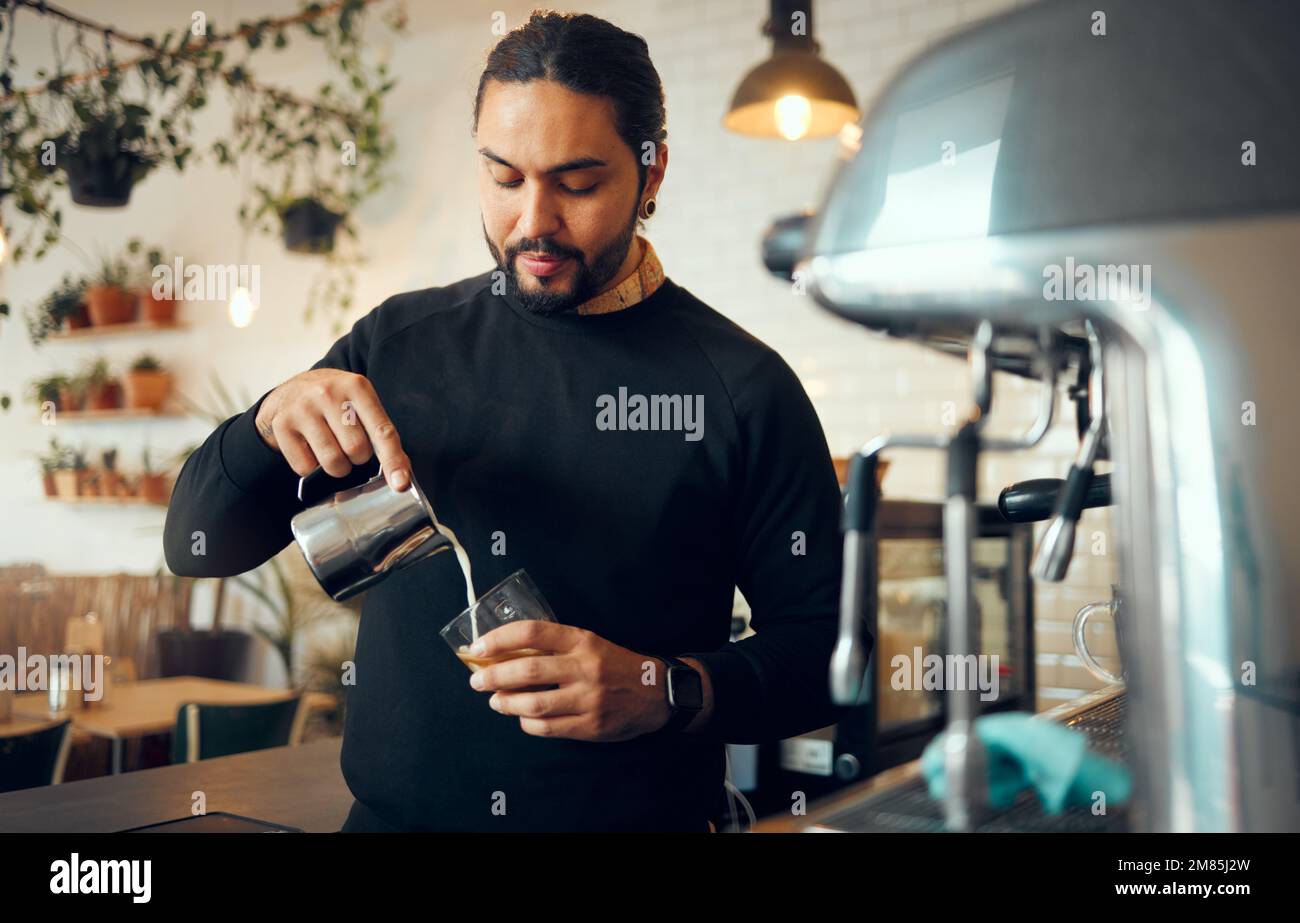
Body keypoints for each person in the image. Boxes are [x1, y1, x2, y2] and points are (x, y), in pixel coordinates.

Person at [163, 10, 866, 832]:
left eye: (576, 183)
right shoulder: (398, 342)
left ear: (652, 173)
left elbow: (829, 653)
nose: (534, 221)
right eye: (503, 178)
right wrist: (266, 420)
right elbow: (196, 543)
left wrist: (662, 688)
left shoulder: (742, 387)